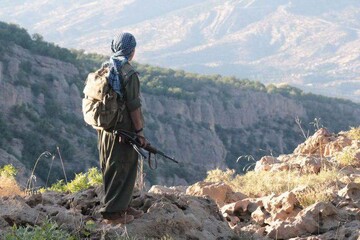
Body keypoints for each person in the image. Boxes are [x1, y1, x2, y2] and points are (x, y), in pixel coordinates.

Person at [98, 32, 147, 224]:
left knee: (111, 166)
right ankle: (112, 214)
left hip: (105, 130)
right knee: (123, 168)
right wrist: (140, 132)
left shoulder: (105, 67)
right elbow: (134, 106)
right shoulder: (128, 73)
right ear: (132, 51)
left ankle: (123, 206)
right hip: (122, 130)